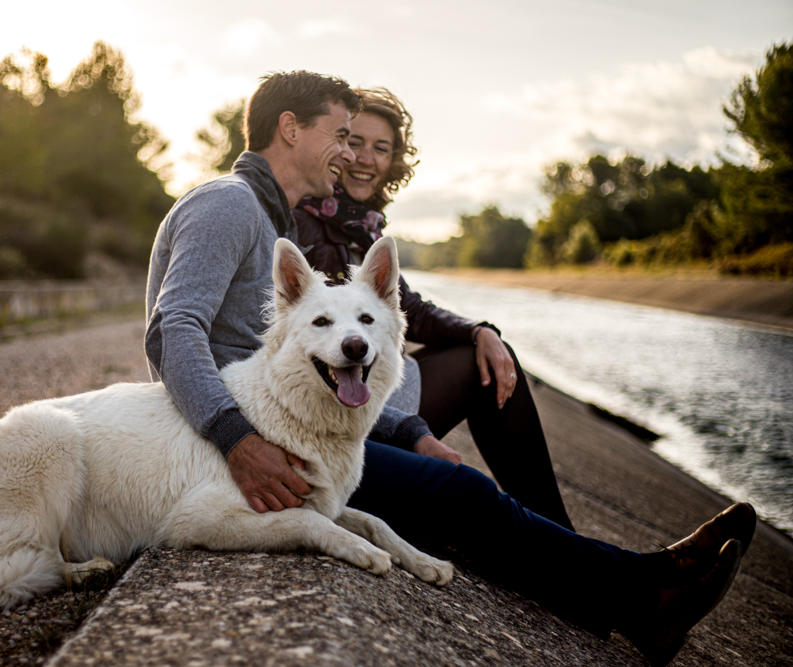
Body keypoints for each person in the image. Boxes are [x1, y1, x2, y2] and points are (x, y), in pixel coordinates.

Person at [144, 70, 755, 666]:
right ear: (290, 128)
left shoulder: (268, 216)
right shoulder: (229, 204)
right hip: (243, 446)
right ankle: (645, 597)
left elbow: (326, 376)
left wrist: (415, 419)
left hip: (290, 430)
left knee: (467, 441)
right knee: (463, 492)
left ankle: (614, 574)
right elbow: (173, 330)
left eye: (362, 142)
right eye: (341, 135)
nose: (348, 153)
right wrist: (237, 441)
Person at [293, 87, 574, 530]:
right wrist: (413, 431)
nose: (365, 158)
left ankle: (557, 534)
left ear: (393, 161)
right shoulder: (305, 223)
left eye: (381, 148)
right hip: (336, 405)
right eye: (355, 142)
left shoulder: (360, 226)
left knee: (486, 354)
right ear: (337, 146)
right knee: (477, 369)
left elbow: (412, 310)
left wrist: (480, 330)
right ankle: (561, 537)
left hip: (365, 389)